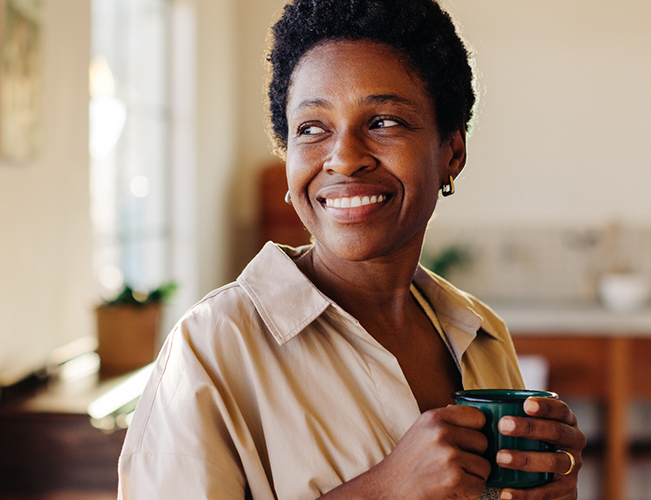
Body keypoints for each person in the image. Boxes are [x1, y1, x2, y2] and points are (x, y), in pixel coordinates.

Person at [118, 0, 586, 498]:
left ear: (452, 152)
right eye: (312, 128)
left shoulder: (482, 336)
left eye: (384, 121)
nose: (343, 157)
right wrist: (384, 490)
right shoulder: (212, 348)